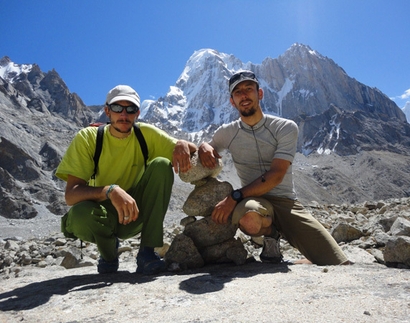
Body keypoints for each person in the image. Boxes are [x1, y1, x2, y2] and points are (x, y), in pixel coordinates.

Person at [198, 71, 350, 265]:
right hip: (254, 201)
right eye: (237, 92)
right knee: (249, 219)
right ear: (232, 101)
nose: (244, 95)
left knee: (339, 263)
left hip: (286, 202)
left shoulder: (285, 127)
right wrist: (204, 146)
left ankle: (300, 254)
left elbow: (276, 175)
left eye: (248, 89)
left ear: (259, 94)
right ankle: (271, 235)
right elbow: (210, 147)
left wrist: (233, 197)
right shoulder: (228, 132)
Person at [56, 85, 197, 274]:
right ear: (107, 111)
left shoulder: (145, 134)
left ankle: (147, 252)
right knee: (80, 214)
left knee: (162, 165)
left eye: (130, 109)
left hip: (134, 213)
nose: (124, 114)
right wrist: (110, 191)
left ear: (137, 113)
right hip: (102, 215)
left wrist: (180, 142)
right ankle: (108, 255)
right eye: (117, 108)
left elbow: (188, 151)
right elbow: (71, 196)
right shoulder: (88, 138)